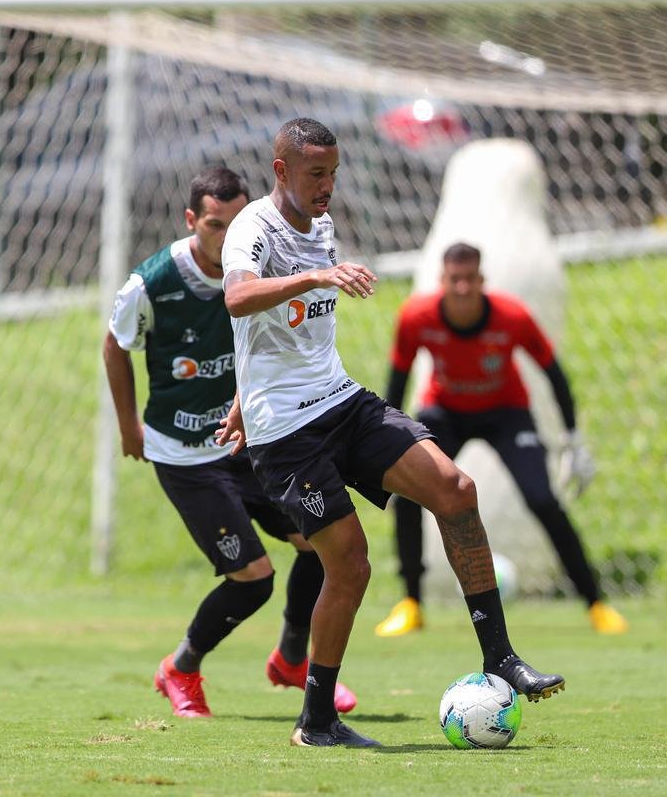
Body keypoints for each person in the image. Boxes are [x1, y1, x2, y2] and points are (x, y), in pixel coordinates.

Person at [219, 117, 564, 749]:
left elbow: (278, 338)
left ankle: (500, 658)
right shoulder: (252, 228)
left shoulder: (320, 225)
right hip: (287, 435)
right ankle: (316, 719)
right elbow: (239, 300)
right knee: (349, 565)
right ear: (281, 171)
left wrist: (244, 390)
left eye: (333, 173)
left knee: (455, 488)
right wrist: (316, 279)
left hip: (340, 401)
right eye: (315, 174)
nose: (327, 186)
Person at [103, 166, 357, 720]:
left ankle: (293, 659)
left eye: (234, 223)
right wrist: (128, 426)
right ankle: (181, 668)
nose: (225, 236)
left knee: (318, 545)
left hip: (249, 443)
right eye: (213, 224)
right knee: (253, 579)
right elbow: (115, 346)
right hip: (186, 457)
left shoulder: (261, 265)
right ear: (192, 220)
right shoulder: (153, 283)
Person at [374, 241, 628, 638]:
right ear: (443, 280)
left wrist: (573, 440)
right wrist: (387, 441)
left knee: (542, 499)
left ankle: (596, 603)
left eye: (470, 279)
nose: (462, 288)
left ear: (482, 280)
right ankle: (411, 603)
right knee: (408, 496)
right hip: (445, 413)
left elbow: (553, 373)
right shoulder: (416, 317)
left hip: (506, 414)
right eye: (454, 280)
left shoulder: (512, 316)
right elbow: (398, 380)